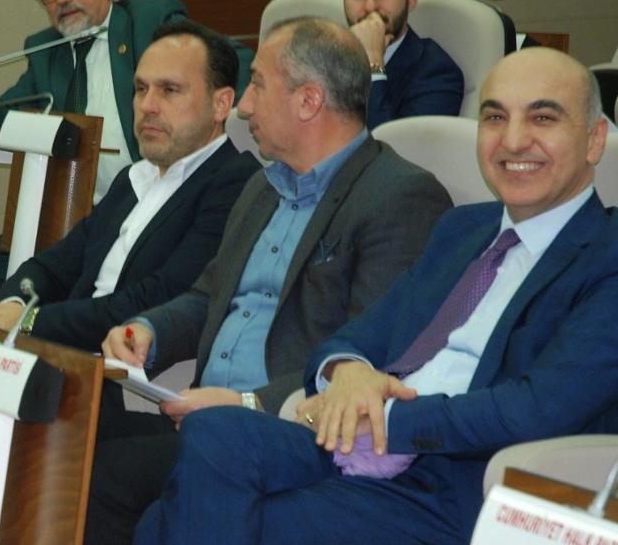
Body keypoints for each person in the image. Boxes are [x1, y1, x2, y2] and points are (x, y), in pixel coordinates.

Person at [134, 47, 618, 545]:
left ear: (594, 139)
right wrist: (348, 373)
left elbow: (535, 409)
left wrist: (383, 417)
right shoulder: (463, 230)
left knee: (169, 526)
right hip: (350, 446)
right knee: (213, 433)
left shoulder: (607, 254)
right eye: (495, 117)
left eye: (542, 118)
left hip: (458, 482)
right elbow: (358, 336)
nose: (513, 140)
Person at [87, 17, 453, 544]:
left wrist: (246, 404)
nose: (243, 106)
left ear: (308, 100)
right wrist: (148, 329)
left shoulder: (399, 197)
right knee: (67, 427)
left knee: (101, 479)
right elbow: (209, 296)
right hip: (203, 412)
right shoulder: (262, 187)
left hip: (292, 430)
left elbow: (372, 355)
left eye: (257, 84)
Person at [0, 0, 251, 296]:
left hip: (155, 194)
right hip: (84, 214)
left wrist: (229, 115)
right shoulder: (46, 51)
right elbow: (14, 114)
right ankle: (79, 309)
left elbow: (236, 63)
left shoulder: (149, 22)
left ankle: (80, 310)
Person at [0, 18, 260, 350]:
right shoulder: (133, 178)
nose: (147, 106)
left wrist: (29, 322)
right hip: (69, 352)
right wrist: (13, 304)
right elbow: (55, 265)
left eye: (169, 90)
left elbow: (158, 299)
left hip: (123, 365)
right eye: (141, 89)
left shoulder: (237, 182)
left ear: (221, 104)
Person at [340, 0, 464, 129]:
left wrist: (373, 63)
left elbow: (390, 146)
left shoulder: (437, 73)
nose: (370, 6)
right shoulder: (325, 57)